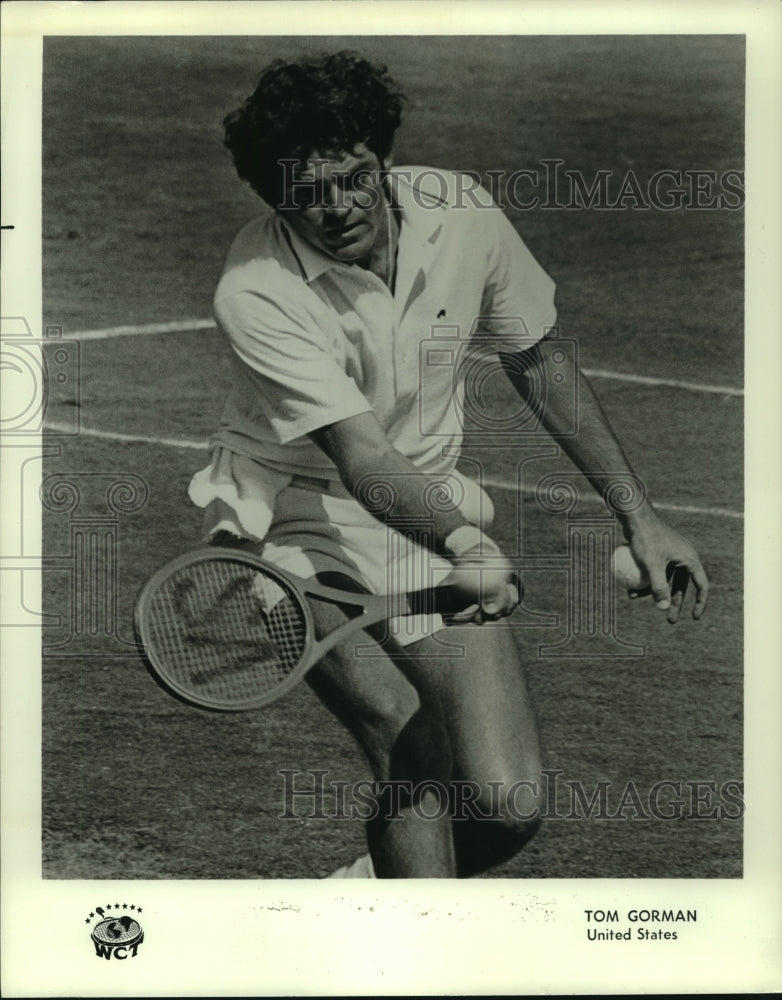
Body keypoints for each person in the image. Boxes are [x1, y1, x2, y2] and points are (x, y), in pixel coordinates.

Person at [189, 50, 709, 878]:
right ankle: (419, 949)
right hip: (294, 522)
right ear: (270, 195)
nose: (334, 208)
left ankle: (362, 903)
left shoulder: (462, 212)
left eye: (353, 177)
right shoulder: (254, 290)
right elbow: (359, 455)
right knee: (410, 735)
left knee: (508, 808)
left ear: (383, 156)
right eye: (304, 192)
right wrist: (466, 543)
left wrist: (638, 515)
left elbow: (536, 359)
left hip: (424, 507)